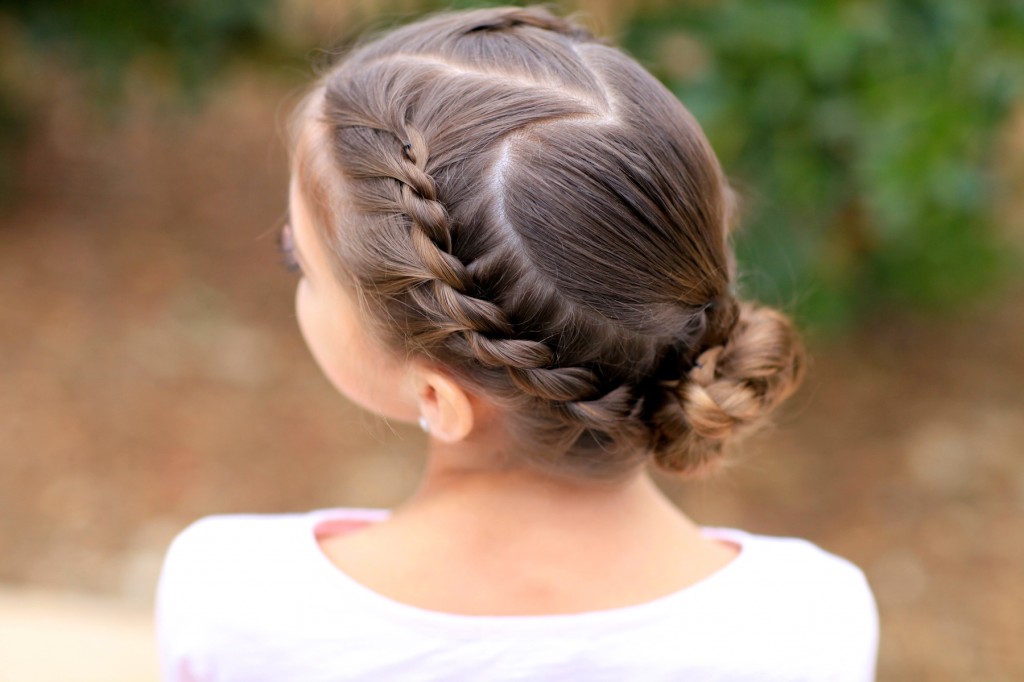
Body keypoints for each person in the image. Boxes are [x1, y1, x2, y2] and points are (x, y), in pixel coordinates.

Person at [155, 6, 879, 680]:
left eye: (300, 263)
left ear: (439, 396)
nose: (289, 263)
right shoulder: (809, 621)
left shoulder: (236, 603)